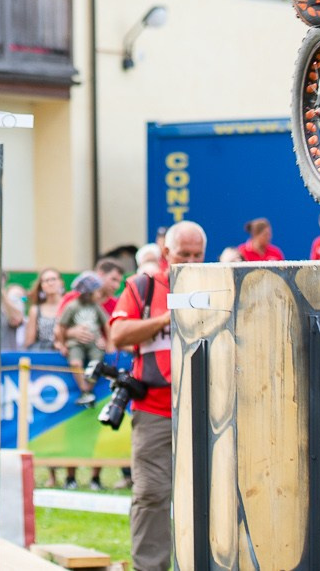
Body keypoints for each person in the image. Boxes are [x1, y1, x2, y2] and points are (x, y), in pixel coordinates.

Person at [109, 220, 207, 571]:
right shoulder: (142, 287)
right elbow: (118, 334)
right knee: (151, 494)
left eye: (198, 255)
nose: (192, 262)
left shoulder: (218, 285)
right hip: (154, 410)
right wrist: (167, 318)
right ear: (166, 252)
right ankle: (150, 567)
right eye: (184, 254)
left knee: (210, 495)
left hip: (207, 412)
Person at [57, 274, 107, 402]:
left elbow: (107, 324)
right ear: (88, 292)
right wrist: (62, 344)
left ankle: (88, 389)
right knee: (75, 363)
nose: (100, 295)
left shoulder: (96, 307)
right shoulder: (72, 306)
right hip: (76, 343)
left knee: (96, 365)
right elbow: (61, 326)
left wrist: (108, 342)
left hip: (95, 343)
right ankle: (84, 389)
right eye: (97, 291)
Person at [20, 269, 64, 350]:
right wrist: (52, 345)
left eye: (53, 279)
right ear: (41, 286)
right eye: (46, 281)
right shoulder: (35, 310)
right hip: (44, 355)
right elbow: (29, 344)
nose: (50, 283)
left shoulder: (70, 305)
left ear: (61, 282)